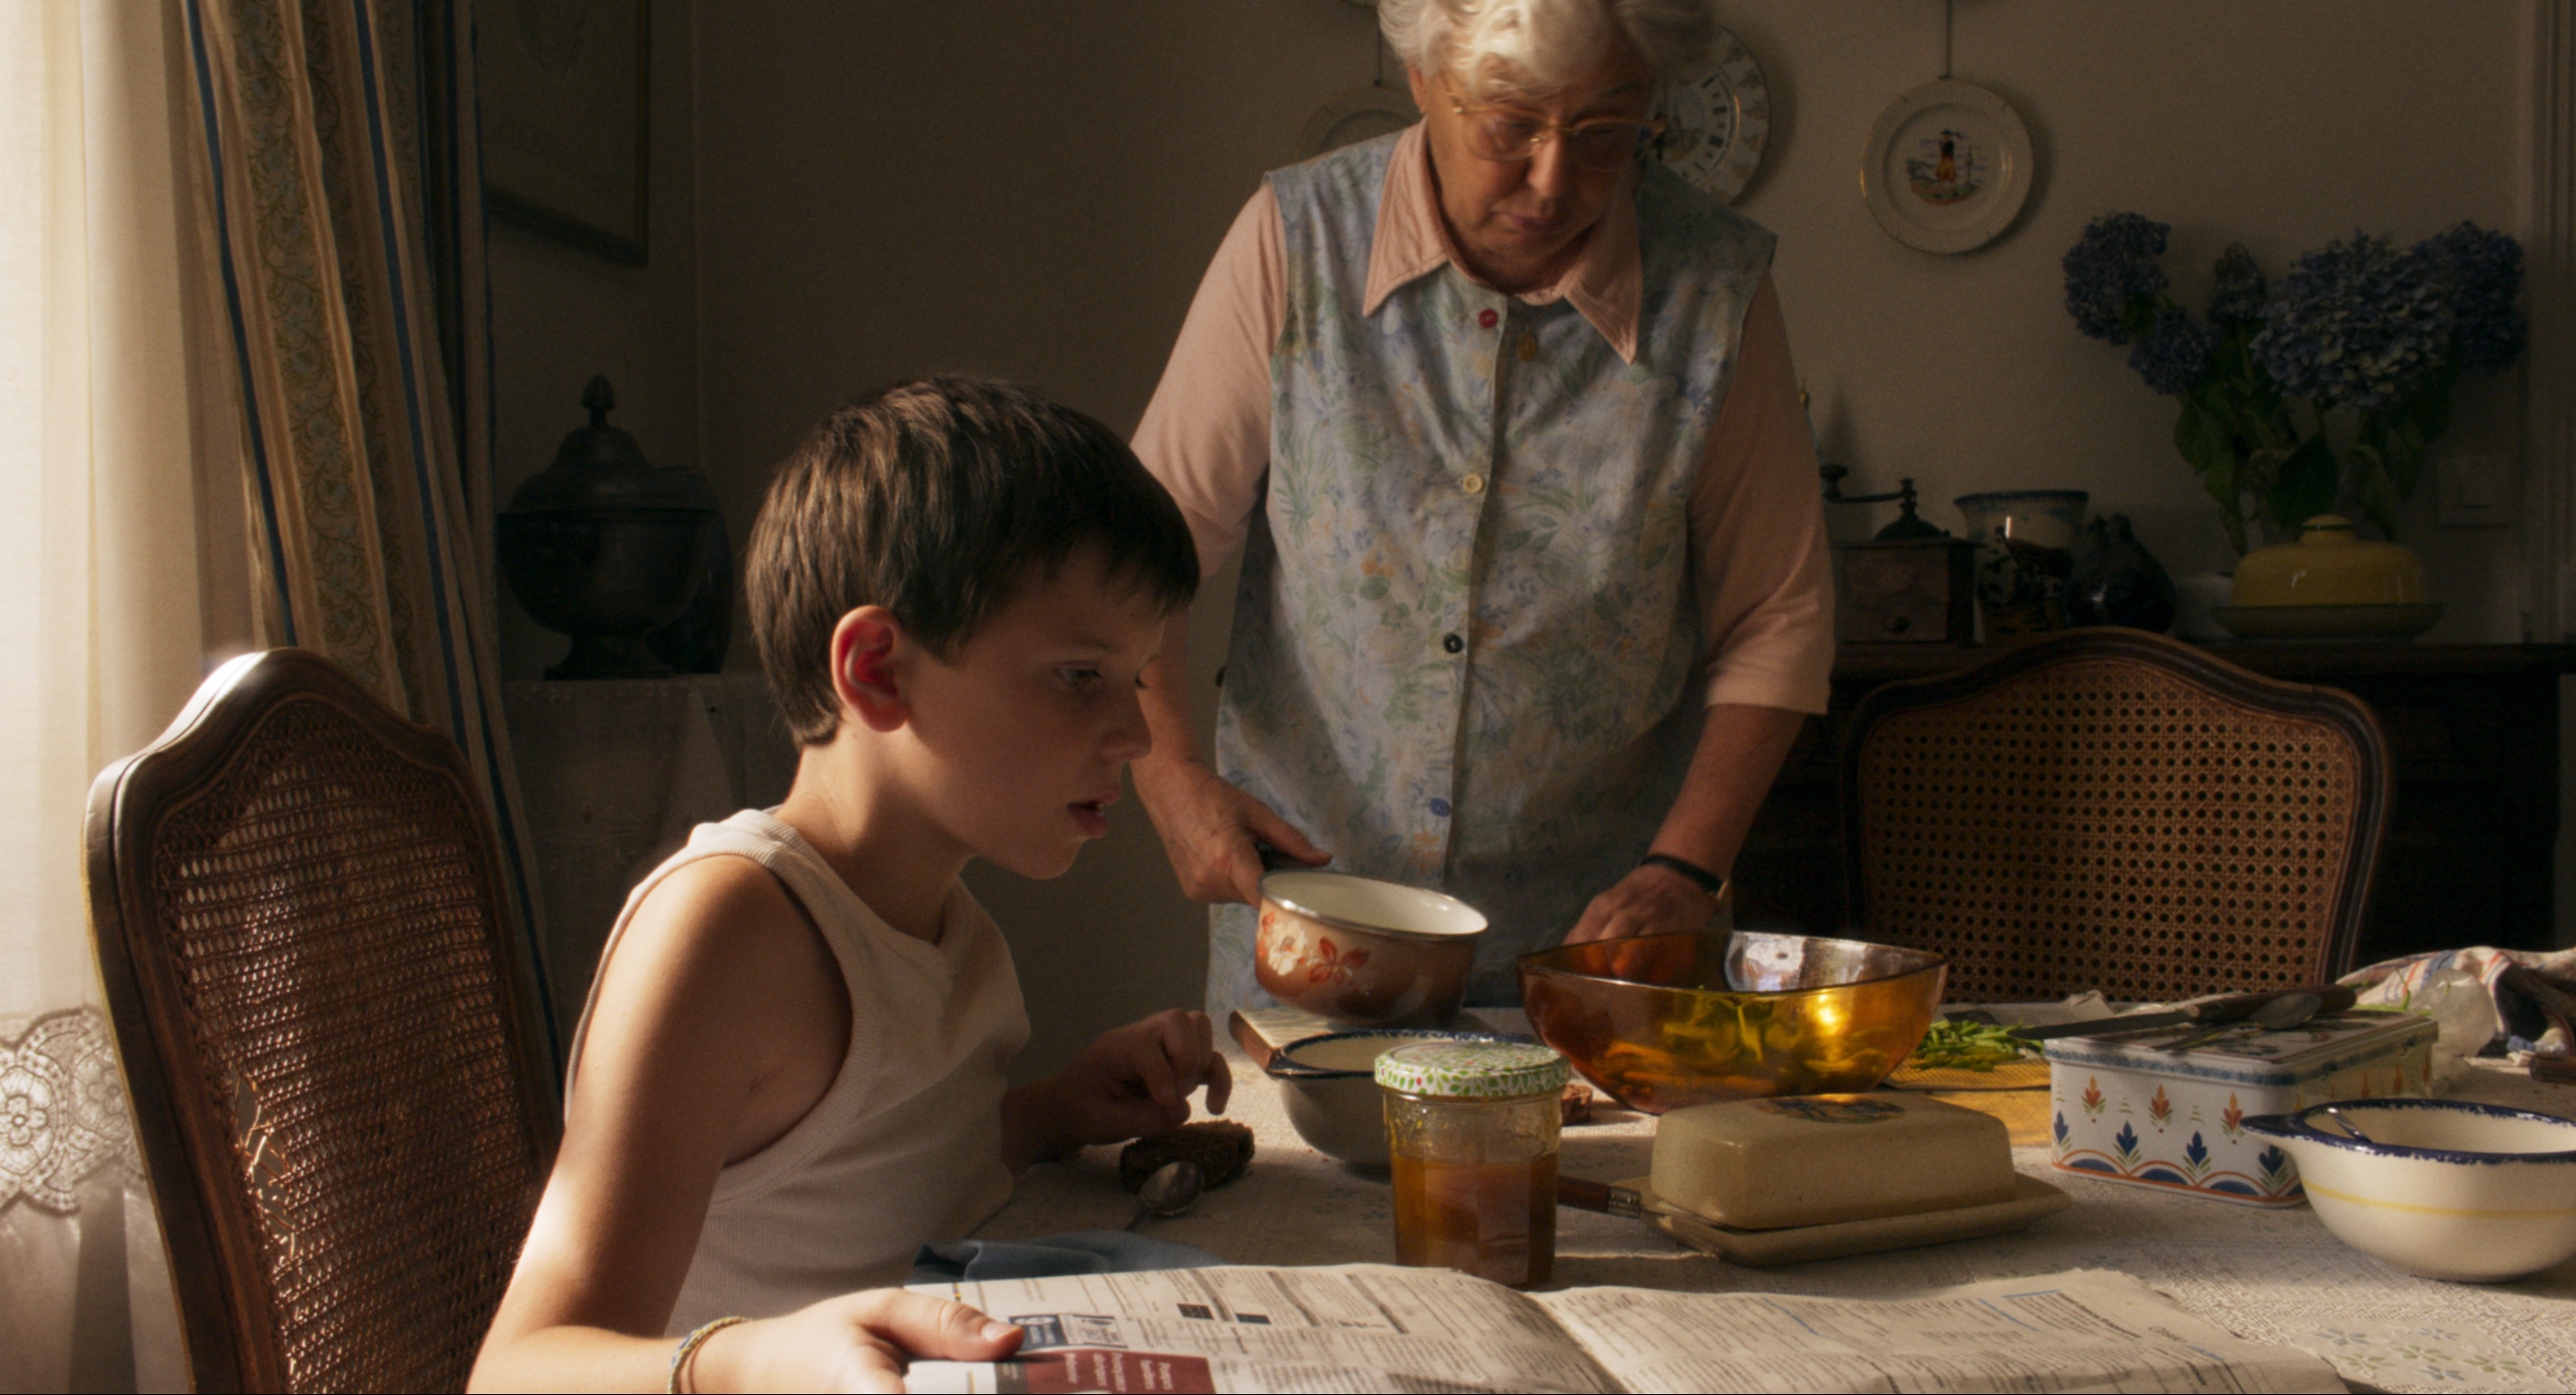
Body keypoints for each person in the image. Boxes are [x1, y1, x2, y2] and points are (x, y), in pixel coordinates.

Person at [470, 378, 1232, 1392]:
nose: (1137, 736)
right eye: (1078, 676)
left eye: (1136, 682)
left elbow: (869, 1182)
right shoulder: (725, 928)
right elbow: (519, 1371)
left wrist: (1053, 1111)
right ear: (877, 670)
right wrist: (754, 1363)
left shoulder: (949, 925)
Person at [1131, 0, 1835, 1017]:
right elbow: (1138, 552)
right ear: (1422, 80)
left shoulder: (1715, 291)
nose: (1554, 182)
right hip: (1316, 930)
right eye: (1510, 125)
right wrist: (1173, 783)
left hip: (1596, 948)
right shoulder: (1296, 241)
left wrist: (1686, 867)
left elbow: (1779, 614)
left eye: (1605, 136)